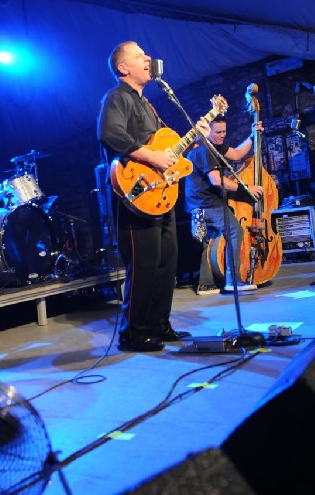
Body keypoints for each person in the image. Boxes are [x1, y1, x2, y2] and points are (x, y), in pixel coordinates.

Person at [97, 41, 208, 352]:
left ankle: (159, 325)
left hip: (161, 194)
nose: (148, 58)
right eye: (139, 55)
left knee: (165, 261)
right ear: (123, 68)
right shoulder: (116, 97)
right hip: (136, 196)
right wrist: (153, 158)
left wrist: (193, 141)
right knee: (144, 264)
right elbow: (111, 135)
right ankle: (133, 333)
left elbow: (168, 149)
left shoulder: (148, 104)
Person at [184, 116, 264, 295]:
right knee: (235, 230)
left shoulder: (214, 146)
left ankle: (206, 284)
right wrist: (246, 189)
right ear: (207, 132)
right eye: (218, 132)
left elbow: (237, 154)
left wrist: (252, 136)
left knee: (210, 241)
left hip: (197, 205)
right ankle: (233, 281)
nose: (222, 135)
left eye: (224, 131)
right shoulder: (204, 149)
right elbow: (216, 181)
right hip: (207, 203)